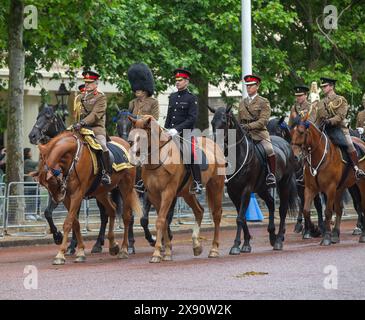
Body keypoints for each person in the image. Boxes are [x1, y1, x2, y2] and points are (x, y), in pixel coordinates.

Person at [316, 77, 365, 179]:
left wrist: (330, 121)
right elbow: (319, 117)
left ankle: (356, 169)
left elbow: (340, 116)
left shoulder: (340, 100)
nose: (323, 88)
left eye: (325, 86)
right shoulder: (321, 102)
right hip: (325, 129)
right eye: (323, 87)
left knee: (349, 144)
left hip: (339, 128)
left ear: (331, 87)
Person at [164, 68, 202, 194]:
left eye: (180, 80)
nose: (177, 82)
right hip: (171, 132)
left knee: (191, 153)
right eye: (176, 80)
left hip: (186, 133)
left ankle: (197, 182)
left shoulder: (192, 98)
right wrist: (166, 129)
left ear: (187, 81)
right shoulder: (172, 97)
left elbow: (192, 118)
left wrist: (177, 129)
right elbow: (170, 115)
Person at [73, 70, 112, 185]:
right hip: (80, 128)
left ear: (96, 84)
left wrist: (82, 123)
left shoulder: (101, 97)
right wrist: (76, 124)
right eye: (85, 82)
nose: (87, 85)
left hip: (96, 128)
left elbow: (95, 115)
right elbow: (77, 115)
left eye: (90, 83)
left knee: (103, 146)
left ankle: (106, 173)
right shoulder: (80, 97)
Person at [238, 74, 276, 187]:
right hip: (244, 134)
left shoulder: (263, 102)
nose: (248, 88)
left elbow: (263, 121)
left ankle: (271, 175)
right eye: (247, 86)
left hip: (259, 134)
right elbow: (239, 120)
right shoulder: (242, 103)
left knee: (269, 149)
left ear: (257, 86)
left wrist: (248, 126)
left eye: (251, 85)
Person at [127, 63, 160, 192]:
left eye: (139, 89)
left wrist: (143, 120)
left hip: (148, 132)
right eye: (135, 90)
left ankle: (142, 179)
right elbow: (129, 118)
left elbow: (155, 118)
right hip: (134, 132)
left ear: (145, 89)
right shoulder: (132, 103)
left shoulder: (153, 102)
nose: (137, 92)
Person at [24, 148, 41, 220]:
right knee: (30, 199)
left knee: (37, 198)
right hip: (29, 183)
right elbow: (38, 163)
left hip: (34, 182)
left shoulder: (30, 161)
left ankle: (35, 213)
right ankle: (28, 214)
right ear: (27, 153)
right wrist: (41, 154)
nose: (31, 152)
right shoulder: (27, 161)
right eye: (30, 151)